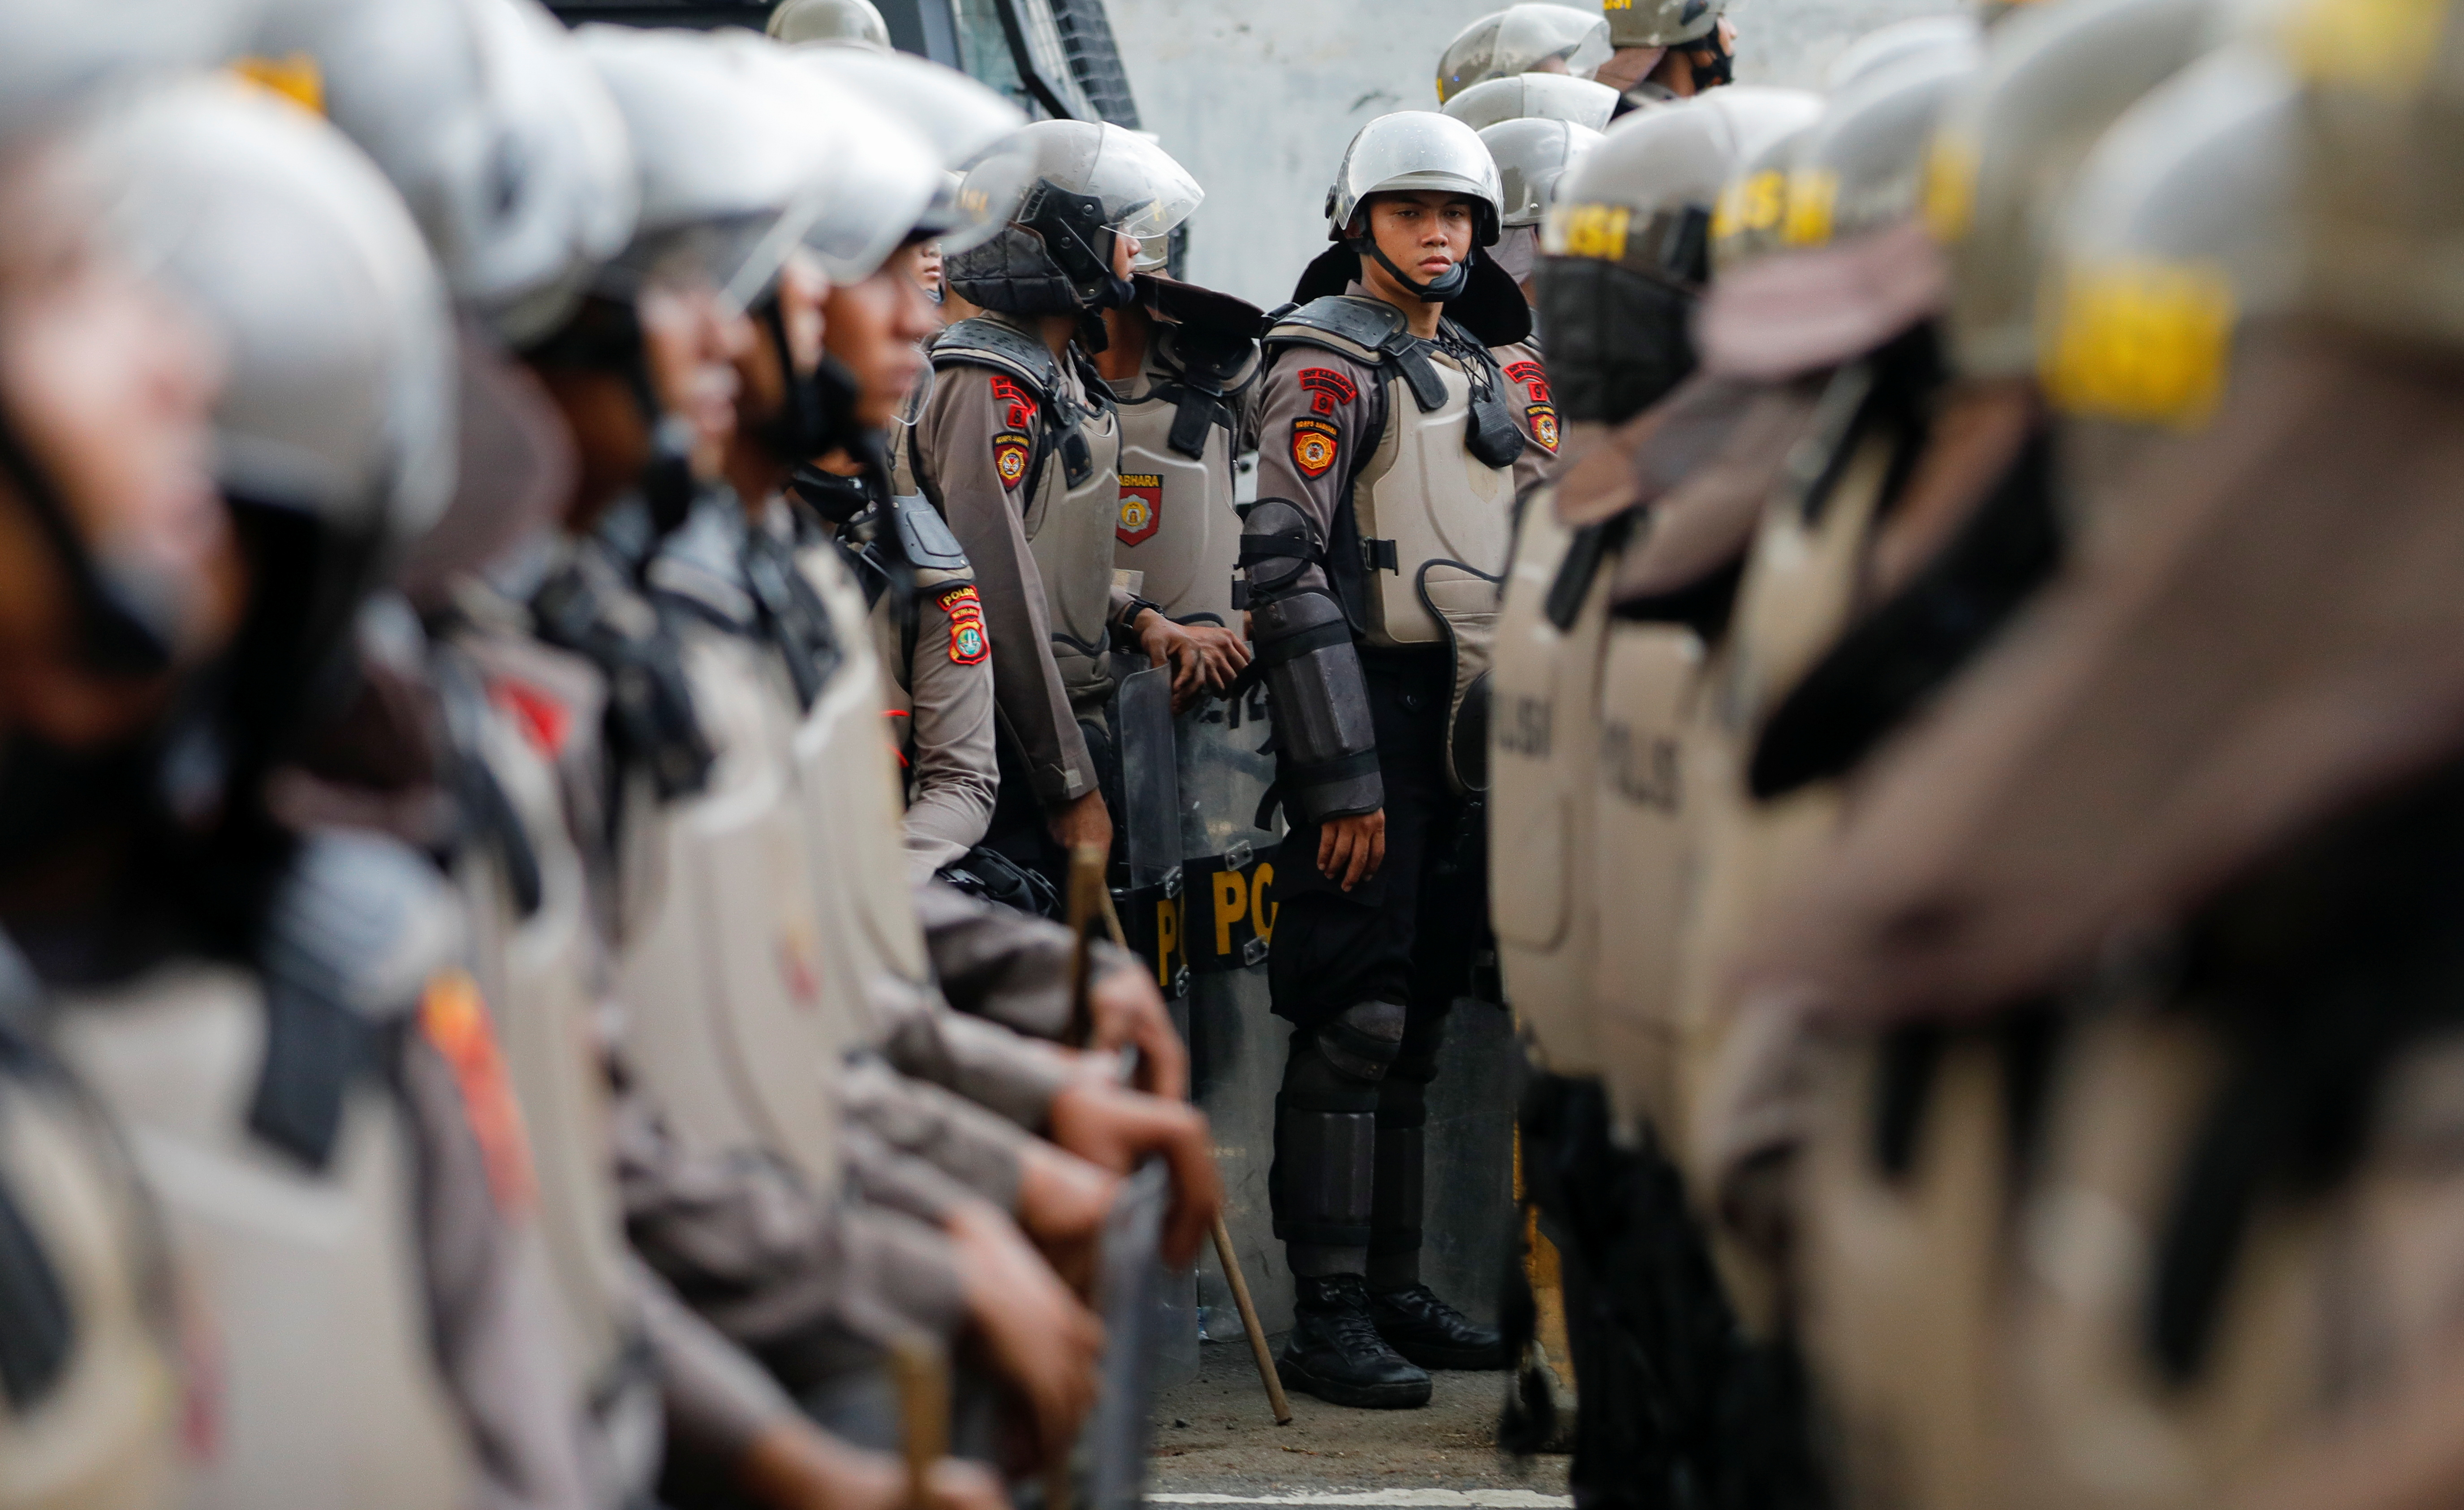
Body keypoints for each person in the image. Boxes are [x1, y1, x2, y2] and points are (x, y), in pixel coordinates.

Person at [1238, 108, 1563, 1410]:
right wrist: (1338, 775)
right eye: (1413, 212)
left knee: (1423, 1016)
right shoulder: (1320, 367)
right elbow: (1281, 568)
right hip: (1364, 706)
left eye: (1459, 216)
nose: (1440, 235)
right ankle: (1328, 1310)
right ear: (1359, 223)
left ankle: (1394, 1290)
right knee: (1357, 1016)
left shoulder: (1487, 366)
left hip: (1465, 721)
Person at [908, 121, 1241, 893]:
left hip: (1070, 723)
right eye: (1118, 228)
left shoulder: (1055, 373)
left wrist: (1139, 619)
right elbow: (992, 583)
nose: (1134, 248)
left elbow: (1047, 555)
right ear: (1063, 241)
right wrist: (1069, 783)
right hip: (1002, 751)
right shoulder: (986, 383)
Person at [1594, 0, 1739, 111]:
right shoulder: (1677, 130)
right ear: (1695, 34)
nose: (1733, 32)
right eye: (1720, 16)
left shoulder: (1599, 111)